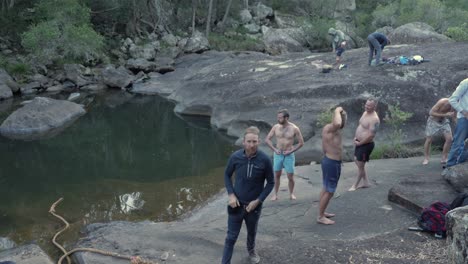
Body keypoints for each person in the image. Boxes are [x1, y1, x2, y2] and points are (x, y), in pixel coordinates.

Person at [222, 126, 274, 264]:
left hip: (253, 207)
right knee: (231, 237)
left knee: (252, 232)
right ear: (243, 142)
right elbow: (227, 175)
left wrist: (258, 200)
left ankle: (251, 250)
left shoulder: (265, 159)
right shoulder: (235, 157)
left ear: (259, 142)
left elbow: (271, 183)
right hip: (236, 204)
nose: (252, 145)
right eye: (249, 141)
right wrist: (231, 195)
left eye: (254, 141)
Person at [265, 109, 304, 200]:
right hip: (278, 154)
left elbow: (301, 143)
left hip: (289, 154)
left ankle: (291, 194)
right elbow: (267, 139)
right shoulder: (275, 127)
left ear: (286, 118)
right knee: (277, 175)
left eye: (280, 117)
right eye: (278, 117)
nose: (278, 119)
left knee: (290, 176)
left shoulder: (294, 128)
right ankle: (275, 194)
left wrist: (291, 151)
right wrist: (274, 149)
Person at [318, 107, 347, 225]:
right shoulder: (330, 127)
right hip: (331, 163)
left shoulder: (335, 131)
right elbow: (338, 123)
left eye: (345, 117)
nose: (343, 120)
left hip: (331, 162)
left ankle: (322, 212)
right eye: (342, 117)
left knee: (326, 188)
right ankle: (320, 217)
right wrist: (337, 110)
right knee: (330, 191)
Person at [349, 98, 380, 191]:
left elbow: (371, 136)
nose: (366, 107)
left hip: (366, 144)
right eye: (366, 105)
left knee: (360, 164)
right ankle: (366, 182)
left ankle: (355, 185)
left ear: (375, 107)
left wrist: (360, 143)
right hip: (359, 142)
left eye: (369, 106)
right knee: (356, 160)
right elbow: (361, 126)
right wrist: (356, 138)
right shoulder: (365, 113)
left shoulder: (375, 119)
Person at [422, 98, 455, 165]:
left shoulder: (456, 105)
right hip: (433, 121)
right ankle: (426, 158)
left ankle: (444, 158)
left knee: (449, 139)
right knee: (429, 139)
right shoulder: (443, 101)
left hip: (444, 121)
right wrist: (446, 115)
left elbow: (455, 117)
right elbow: (431, 112)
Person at [446, 78, 468, 167]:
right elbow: (452, 99)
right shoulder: (466, 82)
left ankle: (461, 165)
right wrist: (464, 112)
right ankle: (450, 166)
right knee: (458, 143)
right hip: (464, 118)